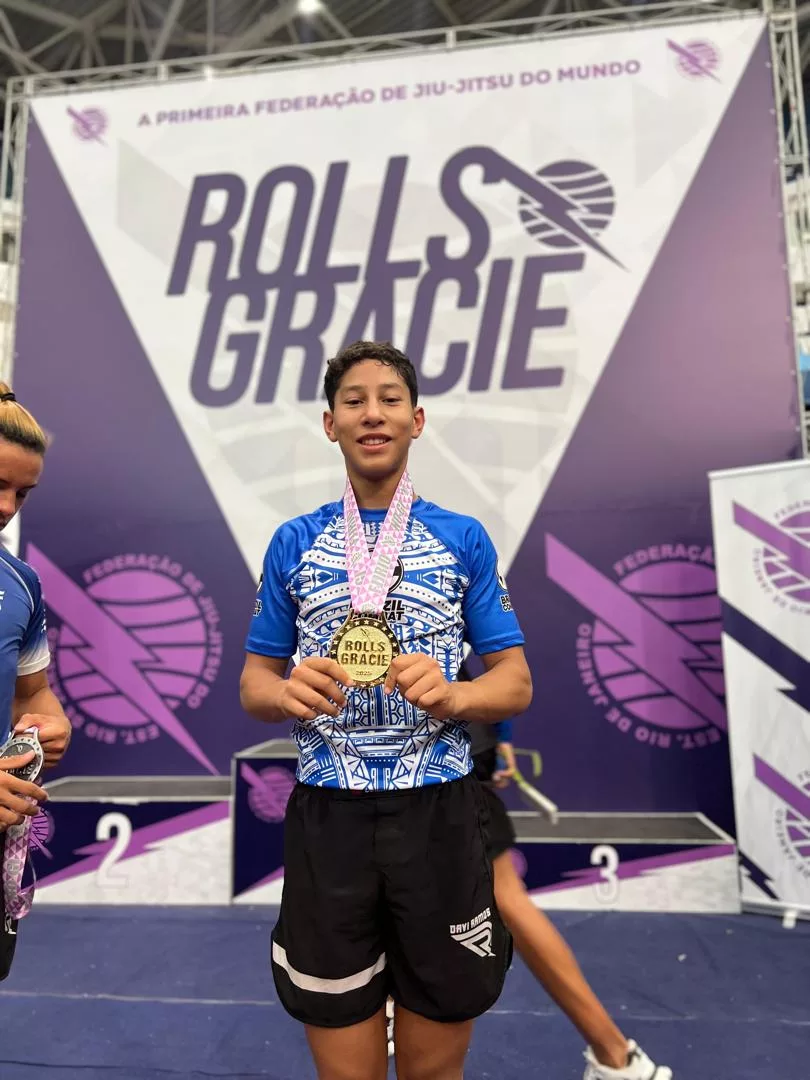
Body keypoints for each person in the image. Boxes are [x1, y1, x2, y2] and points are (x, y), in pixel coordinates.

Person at [240, 340, 532, 1080]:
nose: (373, 413)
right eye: (355, 401)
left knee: (434, 1072)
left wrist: (457, 694)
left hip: (438, 816)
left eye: (390, 399)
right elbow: (253, 686)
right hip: (329, 819)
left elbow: (515, 683)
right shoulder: (294, 542)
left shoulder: (462, 537)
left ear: (416, 420)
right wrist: (284, 692)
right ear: (330, 423)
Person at [469, 711, 674, 1080]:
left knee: (506, 897)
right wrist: (499, 734)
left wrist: (497, 732)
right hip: (409, 758)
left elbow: (499, 674)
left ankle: (616, 1056)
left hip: (441, 757)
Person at [0, 384, 73, 972]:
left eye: (22, 493)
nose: (7, 506)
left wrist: (49, 724)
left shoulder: (21, 582)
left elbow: (33, 692)